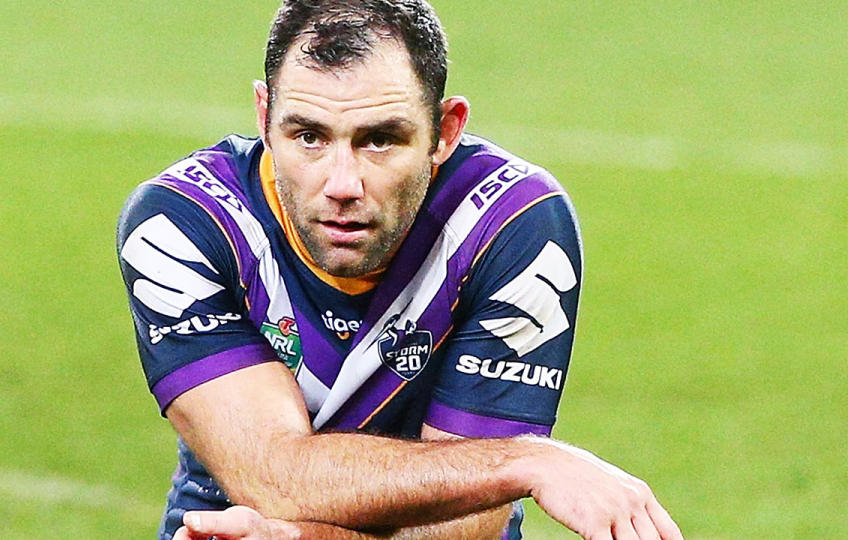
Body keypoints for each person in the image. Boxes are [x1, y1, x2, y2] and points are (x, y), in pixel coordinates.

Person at [116, 1, 683, 539]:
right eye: (308, 136)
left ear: (444, 132)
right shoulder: (182, 225)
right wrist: (528, 461)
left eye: (381, 140)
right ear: (265, 118)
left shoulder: (511, 226)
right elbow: (272, 475)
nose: (342, 185)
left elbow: (469, 527)